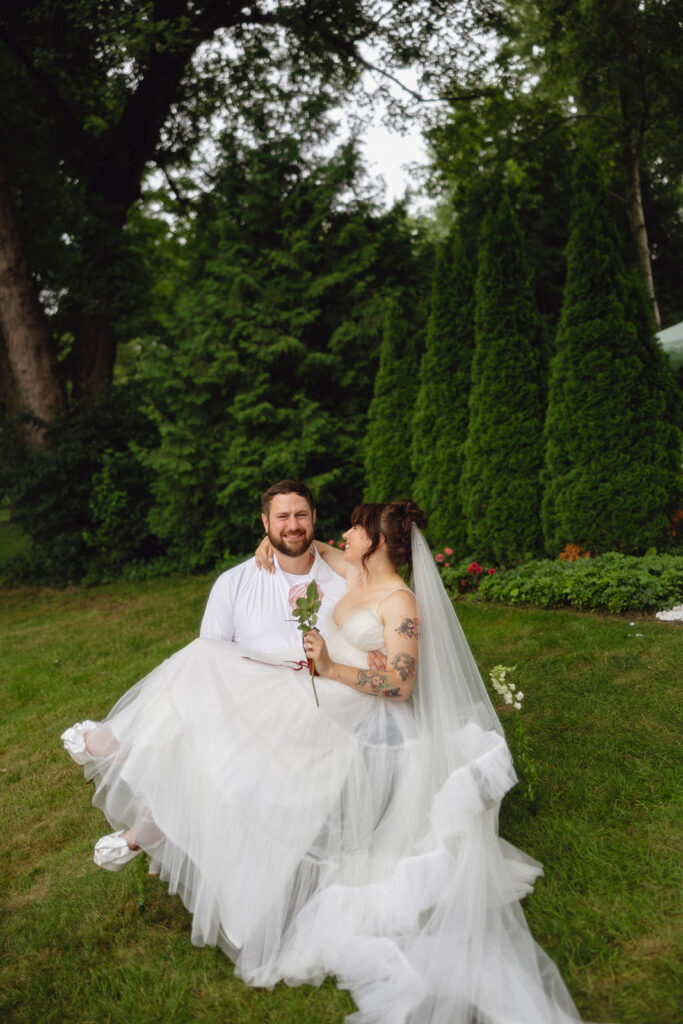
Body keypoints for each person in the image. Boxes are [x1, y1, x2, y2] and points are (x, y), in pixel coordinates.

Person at [61, 497, 597, 1024]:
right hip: (321, 691)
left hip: (358, 710)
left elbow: (401, 686)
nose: (345, 536)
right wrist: (268, 541)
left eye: (356, 529)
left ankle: (141, 803)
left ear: (377, 542)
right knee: (210, 679)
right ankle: (130, 765)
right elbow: (306, 540)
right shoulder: (354, 571)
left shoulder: (398, 601)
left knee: (227, 718)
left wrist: (331, 667)